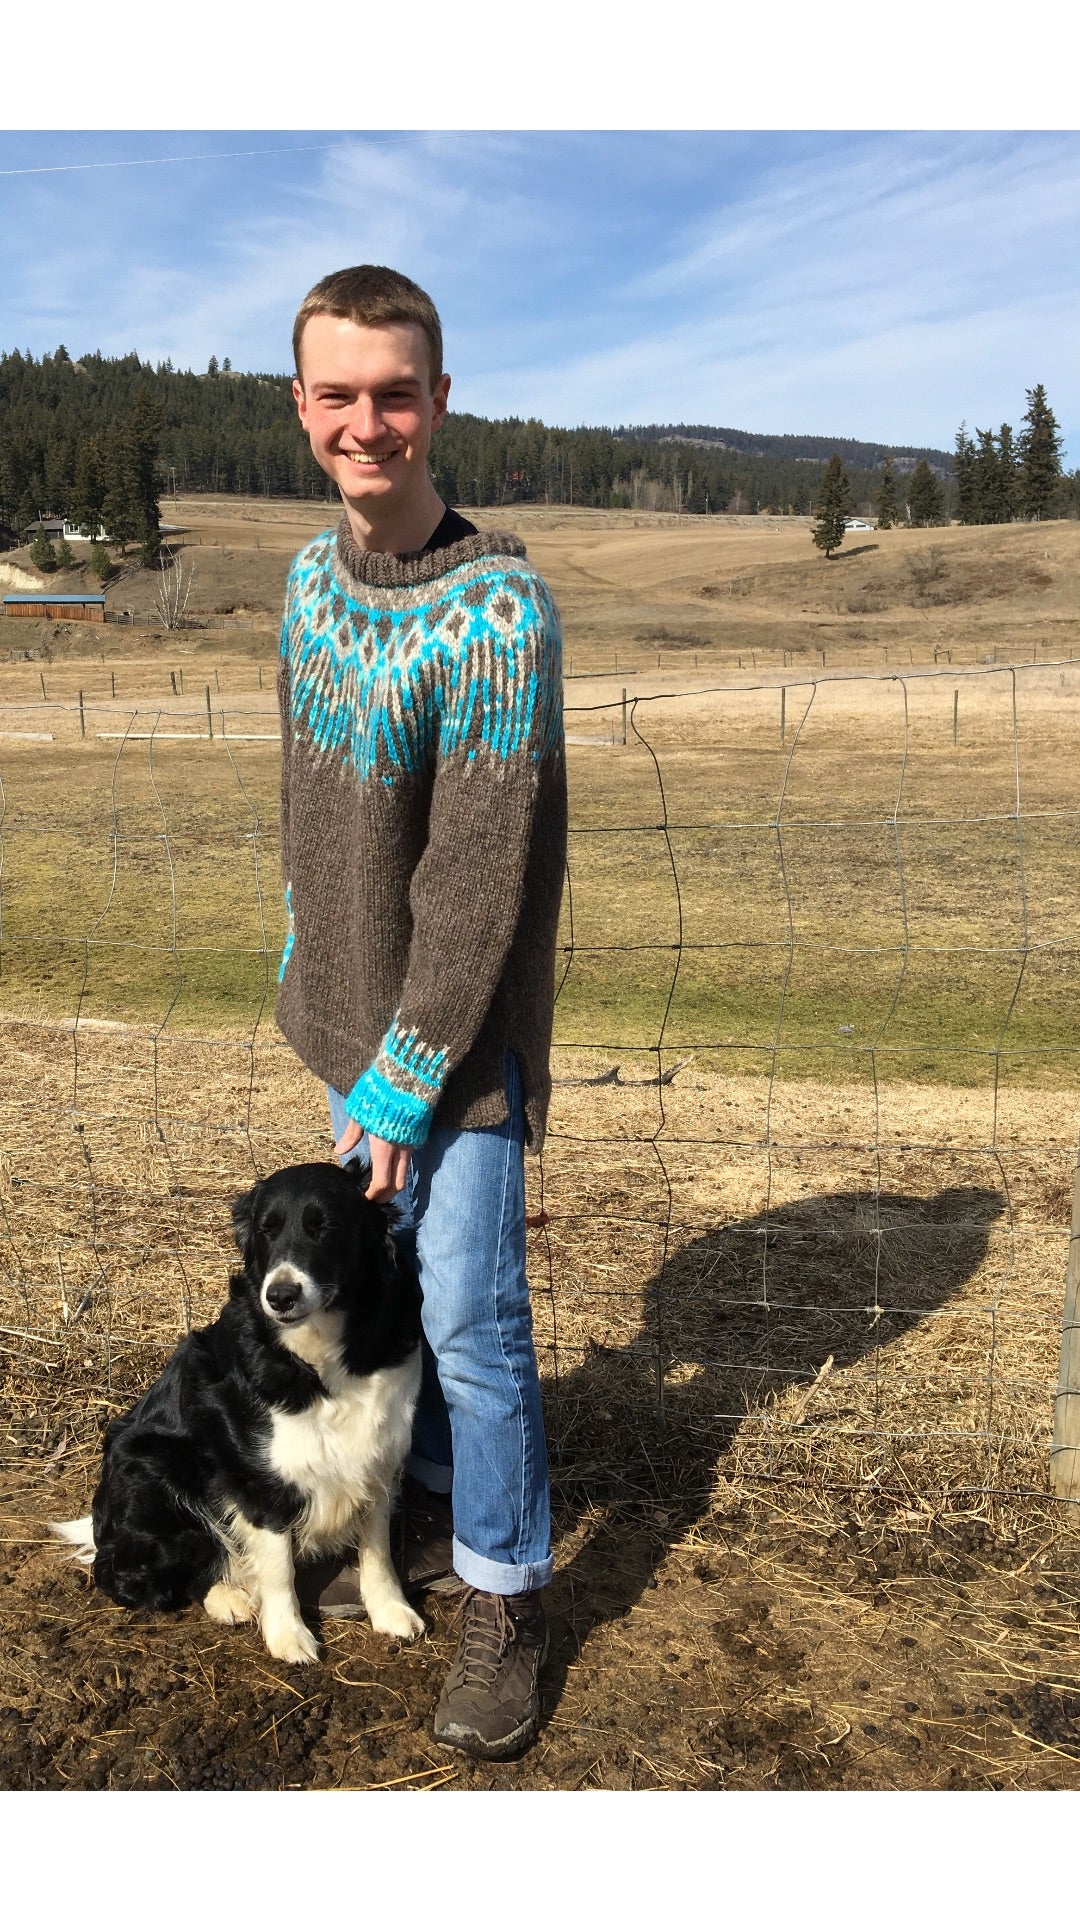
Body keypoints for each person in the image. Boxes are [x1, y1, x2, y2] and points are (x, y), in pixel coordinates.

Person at [275, 265, 567, 1760]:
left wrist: (399, 1082)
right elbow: (309, 795)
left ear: (440, 399)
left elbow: (469, 888)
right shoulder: (308, 582)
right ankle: (439, 1497)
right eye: (340, 393)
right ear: (302, 404)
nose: (368, 423)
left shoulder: (498, 613)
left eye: (397, 392)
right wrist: (303, 946)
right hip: (345, 1020)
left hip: (457, 1053)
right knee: (385, 1303)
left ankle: (511, 1591)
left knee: (472, 1312)